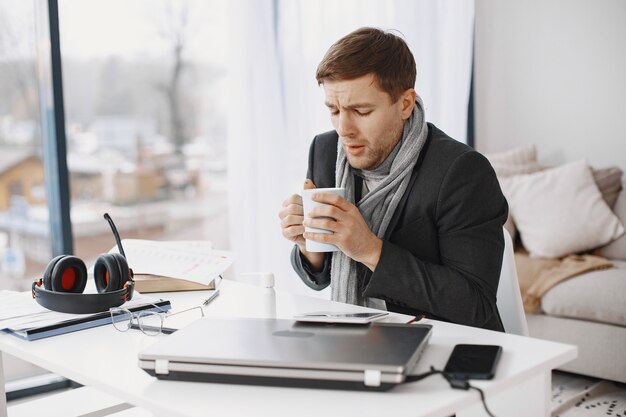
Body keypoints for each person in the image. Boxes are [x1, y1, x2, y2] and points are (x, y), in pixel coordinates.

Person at [278, 27, 508, 331]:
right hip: (353, 339)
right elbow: (320, 278)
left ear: (405, 104)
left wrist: (370, 249)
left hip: (444, 342)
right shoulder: (324, 151)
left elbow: (474, 303)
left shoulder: (462, 172)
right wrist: (310, 245)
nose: (343, 129)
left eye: (360, 111)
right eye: (333, 110)